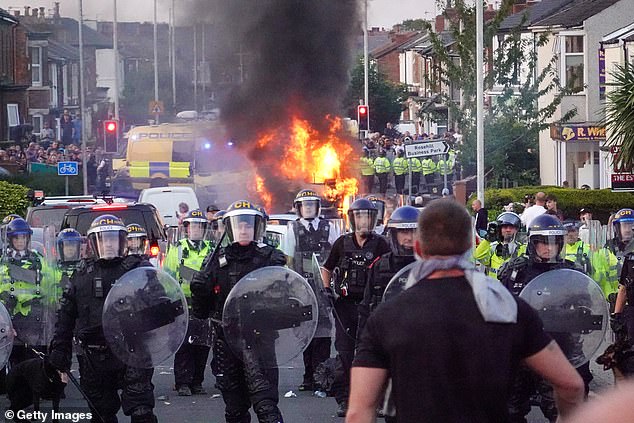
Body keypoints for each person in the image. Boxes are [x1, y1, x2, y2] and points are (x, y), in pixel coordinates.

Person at [348, 199, 584, 423]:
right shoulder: (508, 309)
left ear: (418, 247)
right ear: (470, 245)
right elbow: (570, 384)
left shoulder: (386, 317)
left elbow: (358, 412)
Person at [47, 215, 158, 423]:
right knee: (101, 413)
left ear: (122, 241)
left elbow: (159, 305)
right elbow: (66, 316)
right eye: (103, 239)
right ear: (93, 243)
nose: (108, 244)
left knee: (141, 409)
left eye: (113, 239)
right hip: (95, 355)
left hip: (133, 351)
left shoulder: (139, 270)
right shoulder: (81, 275)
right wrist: (60, 349)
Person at [190, 200, 287, 423]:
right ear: (230, 228)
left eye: (248, 225)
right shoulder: (216, 261)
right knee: (234, 410)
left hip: (260, 342)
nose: (243, 229)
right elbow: (201, 313)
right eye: (239, 225)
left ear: (257, 227)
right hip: (226, 343)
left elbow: (283, 300)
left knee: (267, 408)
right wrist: (199, 290)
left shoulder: (270, 258)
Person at [497, 214, 591, 422]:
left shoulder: (571, 272)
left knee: (564, 410)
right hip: (521, 351)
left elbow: (587, 308)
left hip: (559, 348)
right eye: (542, 243)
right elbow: (501, 307)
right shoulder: (515, 270)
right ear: (532, 243)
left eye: (554, 243)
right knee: (510, 409)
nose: (549, 248)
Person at [320, 199, 390, 417]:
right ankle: (346, 400)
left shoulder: (381, 244)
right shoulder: (342, 243)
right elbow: (327, 268)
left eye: (367, 216)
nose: (363, 221)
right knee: (345, 353)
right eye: (359, 216)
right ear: (352, 219)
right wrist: (326, 289)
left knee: (373, 352)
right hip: (345, 306)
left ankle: (376, 401)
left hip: (371, 306)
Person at [284, 189, 337, 392]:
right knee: (306, 330)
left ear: (317, 207)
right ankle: (308, 376)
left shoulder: (328, 227)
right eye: (304, 205)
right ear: (299, 208)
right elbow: (288, 261)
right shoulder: (293, 229)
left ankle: (321, 375)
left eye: (311, 204)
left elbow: (334, 256)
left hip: (322, 285)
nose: (308, 208)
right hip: (303, 287)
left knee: (323, 330)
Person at [164, 209, 214, 396]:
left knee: (202, 345)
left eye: (199, 226)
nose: (196, 230)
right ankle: (183, 382)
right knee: (184, 345)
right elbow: (168, 277)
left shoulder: (211, 250)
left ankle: (197, 382)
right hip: (183, 304)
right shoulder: (177, 249)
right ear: (186, 229)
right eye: (193, 226)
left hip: (204, 305)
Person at [358, 205, 419, 336]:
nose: (409, 237)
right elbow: (366, 309)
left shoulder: (431, 266)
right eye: (404, 232)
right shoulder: (380, 266)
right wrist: (361, 350)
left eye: (414, 231)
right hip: (386, 337)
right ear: (394, 234)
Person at [473, 212, 525, 277]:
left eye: (511, 227)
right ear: (500, 229)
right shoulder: (493, 246)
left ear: (517, 229)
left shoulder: (522, 248)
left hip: (512, 286)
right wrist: (488, 240)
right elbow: (478, 256)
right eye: (505, 227)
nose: (508, 230)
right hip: (494, 285)